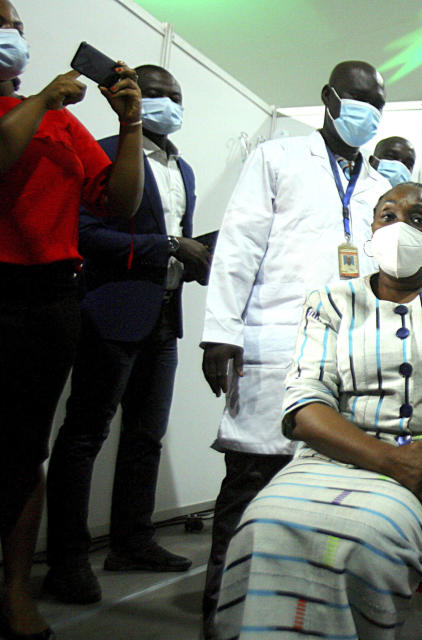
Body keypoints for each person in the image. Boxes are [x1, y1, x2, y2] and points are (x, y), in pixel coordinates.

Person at [213, 182, 422, 639]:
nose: (399, 227)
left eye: (417, 219)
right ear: (370, 230)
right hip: (338, 459)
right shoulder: (330, 302)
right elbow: (304, 408)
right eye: (387, 216)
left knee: (366, 538)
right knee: (262, 525)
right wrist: (393, 461)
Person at [199, 60, 391, 638]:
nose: (368, 113)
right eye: (358, 99)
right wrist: (221, 330)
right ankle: (219, 616)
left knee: (321, 494)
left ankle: (293, 619)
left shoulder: (381, 187)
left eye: (378, 103)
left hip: (348, 360)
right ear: (329, 98)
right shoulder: (277, 158)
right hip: (275, 344)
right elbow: (237, 245)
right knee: (250, 482)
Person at [0, 1, 143, 636]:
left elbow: (120, 201)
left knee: (24, 447)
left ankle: (14, 588)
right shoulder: (40, 111)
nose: (14, 36)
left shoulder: (61, 125)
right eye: (3, 24)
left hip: (49, 300)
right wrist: (43, 99)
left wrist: (131, 124)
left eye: (18, 27)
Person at [43, 64, 208, 604]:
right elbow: (82, 231)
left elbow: (171, 236)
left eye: (177, 96)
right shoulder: (102, 148)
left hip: (165, 313)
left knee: (145, 435)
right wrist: (170, 248)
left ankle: (132, 541)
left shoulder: (182, 170)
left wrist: (198, 254)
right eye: (158, 94)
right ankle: (67, 561)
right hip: (110, 310)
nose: (170, 104)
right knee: (85, 435)